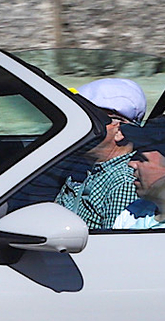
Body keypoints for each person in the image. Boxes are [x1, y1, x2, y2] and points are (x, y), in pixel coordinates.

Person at [54, 77, 148, 228]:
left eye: (90, 120)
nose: (79, 126)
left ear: (120, 131)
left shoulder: (124, 182)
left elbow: (113, 245)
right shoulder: (82, 164)